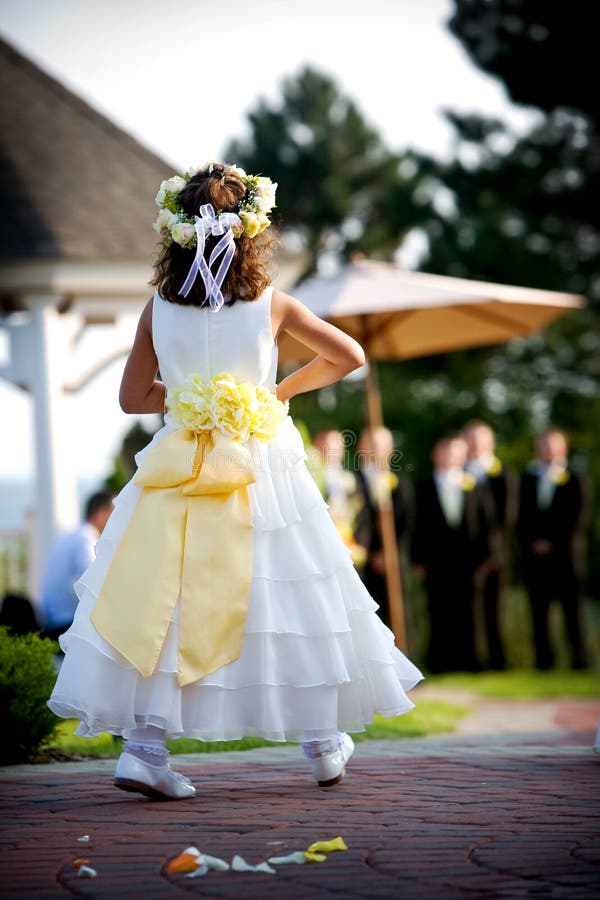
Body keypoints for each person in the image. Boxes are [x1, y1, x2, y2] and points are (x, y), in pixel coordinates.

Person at [48, 162, 423, 800]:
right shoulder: (272, 303)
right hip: (261, 464)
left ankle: (144, 749)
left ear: (176, 234)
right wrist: (276, 390)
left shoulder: (156, 309)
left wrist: (194, 401)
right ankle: (323, 743)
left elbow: (133, 398)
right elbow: (349, 356)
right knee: (289, 594)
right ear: (250, 234)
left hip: (181, 465)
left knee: (161, 598)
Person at [411, 434, 496, 673]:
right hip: (435, 562)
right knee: (438, 611)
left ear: (463, 456)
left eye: (456, 452)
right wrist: (417, 559)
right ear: (435, 455)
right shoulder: (423, 487)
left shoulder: (475, 485)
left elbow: (487, 523)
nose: (450, 456)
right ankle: (439, 663)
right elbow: (416, 526)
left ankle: (471, 662)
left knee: (470, 611)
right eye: (445, 451)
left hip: (468, 562)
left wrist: (487, 556)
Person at [517, 429, 588, 670]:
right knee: (539, 614)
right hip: (535, 560)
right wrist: (533, 542)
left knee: (573, 613)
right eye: (544, 445)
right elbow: (520, 517)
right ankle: (544, 663)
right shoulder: (528, 479)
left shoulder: (576, 478)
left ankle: (580, 661)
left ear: (563, 448)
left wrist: (551, 542)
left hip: (566, 558)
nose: (548, 449)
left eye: (552, 445)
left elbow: (578, 517)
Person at [463, 421, 517, 669]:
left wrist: (492, 552)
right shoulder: (458, 474)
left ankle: (498, 662)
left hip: (493, 554)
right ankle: (471, 660)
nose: (474, 444)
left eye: (479, 439)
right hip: (465, 554)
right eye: (470, 439)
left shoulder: (503, 475)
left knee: (494, 610)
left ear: (491, 443)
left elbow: (506, 518)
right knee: (467, 611)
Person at [354, 426, 415, 628]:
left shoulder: (401, 484)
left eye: (381, 445)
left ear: (389, 449)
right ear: (360, 447)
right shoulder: (350, 482)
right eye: (370, 443)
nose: (375, 449)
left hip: (393, 564)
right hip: (360, 567)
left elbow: (408, 523)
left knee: (398, 621)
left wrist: (391, 552)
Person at [40, 491, 114, 642]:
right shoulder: (86, 539)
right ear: (101, 514)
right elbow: (95, 584)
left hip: (51, 620)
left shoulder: (71, 535)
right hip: (66, 625)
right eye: (115, 513)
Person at [311, 429, 368, 570]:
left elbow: (363, 516)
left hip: (348, 546)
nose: (334, 449)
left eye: (338, 445)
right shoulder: (311, 478)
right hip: (320, 548)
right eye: (329, 444)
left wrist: (359, 544)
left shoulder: (351, 479)